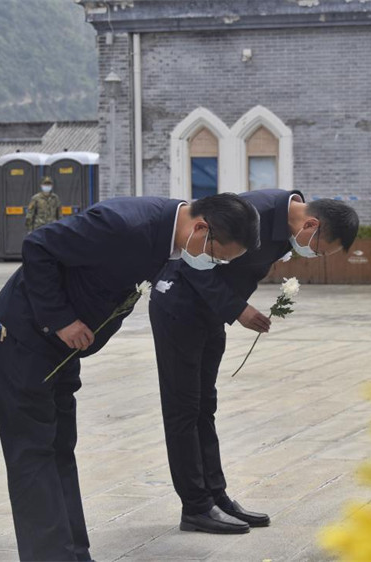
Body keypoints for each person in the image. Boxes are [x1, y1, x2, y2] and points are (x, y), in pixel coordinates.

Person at [0, 194, 260, 561]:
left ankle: (71, 553)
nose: (210, 263)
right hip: (24, 332)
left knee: (58, 447)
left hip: (62, 345)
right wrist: (62, 319)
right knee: (33, 451)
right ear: (201, 228)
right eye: (215, 256)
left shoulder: (169, 238)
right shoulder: (124, 223)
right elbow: (38, 245)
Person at [148, 190, 359, 534]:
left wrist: (231, 308)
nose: (311, 255)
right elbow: (192, 258)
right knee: (183, 409)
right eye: (318, 249)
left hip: (210, 314)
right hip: (179, 308)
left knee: (205, 407)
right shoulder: (251, 213)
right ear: (311, 224)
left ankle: (217, 496)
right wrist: (238, 309)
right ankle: (196, 506)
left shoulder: (289, 228)